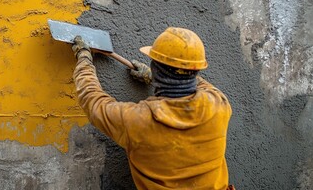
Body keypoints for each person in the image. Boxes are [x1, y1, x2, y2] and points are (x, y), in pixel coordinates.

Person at [72, 27, 234, 190]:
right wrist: (153, 76)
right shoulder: (219, 104)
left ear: (156, 68)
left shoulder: (137, 121)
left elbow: (92, 100)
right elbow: (194, 81)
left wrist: (84, 59)